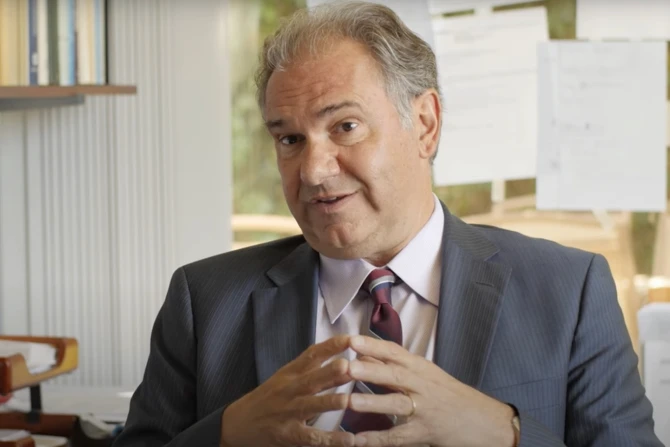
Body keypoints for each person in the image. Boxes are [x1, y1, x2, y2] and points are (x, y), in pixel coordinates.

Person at [112, 2, 662, 446]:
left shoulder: (568, 291)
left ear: (424, 124)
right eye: (290, 139)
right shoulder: (206, 300)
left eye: (345, 126)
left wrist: (504, 433)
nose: (313, 170)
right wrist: (228, 433)